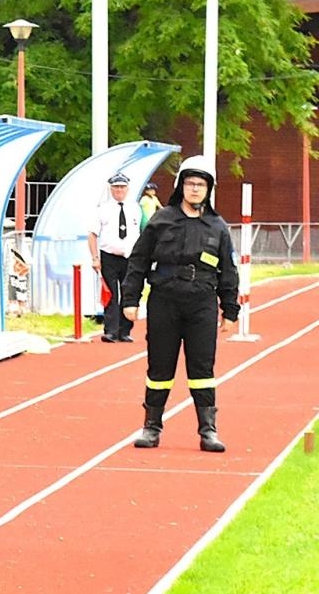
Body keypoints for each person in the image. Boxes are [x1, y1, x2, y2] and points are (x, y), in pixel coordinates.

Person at [120, 154, 239, 452]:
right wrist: (130, 300)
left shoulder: (218, 227)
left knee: (202, 369)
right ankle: (151, 427)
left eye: (201, 184)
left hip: (201, 304)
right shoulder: (162, 220)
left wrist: (230, 310)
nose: (195, 189)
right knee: (159, 368)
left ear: (209, 189)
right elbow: (138, 261)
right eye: (190, 183)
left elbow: (229, 271)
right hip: (165, 301)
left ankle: (208, 430)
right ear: (180, 186)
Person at [88, 171, 143, 342]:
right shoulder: (102, 209)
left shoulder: (135, 208)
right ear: (111, 189)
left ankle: (124, 331)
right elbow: (92, 234)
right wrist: (95, 258)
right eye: (116, 187)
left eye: (122, 187)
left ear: (127, 189)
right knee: (111, 294)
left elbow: (140, 233)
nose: (119, 190)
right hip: (109, 256)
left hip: (130, 257)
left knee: (129, 292)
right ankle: (110, 330)